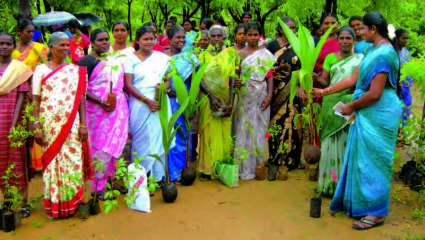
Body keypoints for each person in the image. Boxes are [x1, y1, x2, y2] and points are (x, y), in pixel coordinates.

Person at [314, 12, 402, 230]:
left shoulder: (384, 54)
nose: (359, 32)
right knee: (362, 161)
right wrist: (325, 91)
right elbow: (353, 79)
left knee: (376, 163)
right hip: (368, 111)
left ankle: (376, 212)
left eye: (362, 29)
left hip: (379, 112)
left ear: (373, 29)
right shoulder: (371, 50)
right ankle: (361, 204)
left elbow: (375, 93)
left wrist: (350, 106)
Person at [32, 32, 90, 218]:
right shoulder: (40, 70)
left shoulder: (75, 70)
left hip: (72, 124)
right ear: (51, 47)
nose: (66, 49)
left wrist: (83, 124)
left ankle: (73, 203)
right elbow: (36, 100)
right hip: (49, 124)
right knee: (52, 163)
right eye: (61, 45)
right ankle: (56, 204)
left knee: (73, 161)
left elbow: (80, 98)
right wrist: (36, 125)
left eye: (68, 45)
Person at [78, 29, 129, 197]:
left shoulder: (113, 60)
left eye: (107, 39)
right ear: (92, 42)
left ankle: (111, 181)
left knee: (114, 147)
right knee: (98, 148)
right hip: (95, 114)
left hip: (116, 112)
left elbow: (120, 85)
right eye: (100, 40)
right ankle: (97, 186)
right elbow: (80, 90)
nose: (105, 42)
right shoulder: (86, 61)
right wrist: (100, 101)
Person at [314, 27, 363, 196]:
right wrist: (312, 76)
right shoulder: (330, 58)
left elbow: (353, 82)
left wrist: (325, 91)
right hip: (330, 104)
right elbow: (325, 80)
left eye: (348, 38)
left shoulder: (359, 59)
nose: (344, 41)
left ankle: (343, 187)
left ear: (354, 40)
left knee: (346, 142)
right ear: (337, 40)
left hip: (347, 105)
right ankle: (329, 184)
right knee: (329, 141)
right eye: (341, 38)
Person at [124, 26, 171, 181]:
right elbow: (128, 85)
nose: (149, 42)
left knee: (158, 138)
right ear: (138, 41)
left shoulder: (162, 58)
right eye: (145, 39)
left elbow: (168, 79)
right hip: (140, 103)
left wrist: (165, 88)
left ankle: (156, 178)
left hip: (159, 102)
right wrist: (146, 100)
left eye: (152, 39)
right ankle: (140, 178)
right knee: (141, 140)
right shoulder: (130, 59)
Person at [234, 22, 275, 180]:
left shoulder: (264, 53)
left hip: (261, 93)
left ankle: (258, 165)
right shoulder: (240, 54)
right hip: (245, 95)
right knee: (244, 128)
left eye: (255, 34)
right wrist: (236, 83)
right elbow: (236, 76)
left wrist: (269, 96)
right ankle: (244, 168)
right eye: (249, 34)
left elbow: (270, 76)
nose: (252, 37)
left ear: (259, 36)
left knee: (259, 128)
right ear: (244, 36)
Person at [0, 32, 33, 218]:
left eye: (7, 44)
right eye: (1, 43)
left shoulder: (19, 69)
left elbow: (22, 95)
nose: (3, 47)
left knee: (18, 159)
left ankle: (24, 201)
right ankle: (7, 199)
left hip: (13, 117)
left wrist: (14, 123)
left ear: (13, 46)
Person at [266, 17, 303, 178]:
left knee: (293, 124)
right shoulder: (272, 45)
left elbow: (304, 69)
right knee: (275, 123)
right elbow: (265, 68)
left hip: (294, 91)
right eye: (289, 28)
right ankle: (274, 158)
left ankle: (291, 159)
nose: (292, 30)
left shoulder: (299, 46)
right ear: (280, 29)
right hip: (274, 91)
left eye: (294, 28)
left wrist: (301, 86)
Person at [197, 25, 235, 180]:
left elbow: (232, 78)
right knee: (208, 133)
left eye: (219, 36)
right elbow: (199, 79)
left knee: (224, 133)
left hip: (225, 99)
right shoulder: (202, 56)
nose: (216, 39)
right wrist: (211, 97)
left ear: (224, 37)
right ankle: (208, 168)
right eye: (213, 36)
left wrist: (231, 101)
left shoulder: (230, 55)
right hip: (207, 100)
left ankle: (222, 167)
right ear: (209, 38)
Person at [12, 19, 48, 172]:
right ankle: (24, 163)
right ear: (19, 33)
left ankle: (37, 163)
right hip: (16, 94)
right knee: (20, 127)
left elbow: (48, 68)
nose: (31, 34)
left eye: (33, 31)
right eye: (28, 31)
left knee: (36, 127)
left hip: (35, 93)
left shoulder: (39, 48)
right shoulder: (12, 51)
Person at [165, 26, 199, 181]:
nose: (181, 40)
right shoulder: (162, 58)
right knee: (170, 136)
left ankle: (182, 170)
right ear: (169, 39)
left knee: (183, 134)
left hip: (184, 102)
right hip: (168, 103)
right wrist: (166, 90)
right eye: (177, 37)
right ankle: (170, 172)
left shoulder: (189, 58)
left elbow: (195, 82)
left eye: (183, 38)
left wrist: (191, 103)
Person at [394, 29, 413, 126]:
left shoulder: (406, 52)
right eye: (403, 38)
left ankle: (403, 128)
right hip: (396, 86)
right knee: (396, 108)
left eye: (407, 38)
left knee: (406, 106)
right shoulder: (392, 52)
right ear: (397, 39)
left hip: (406, 86)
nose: (406, 41)